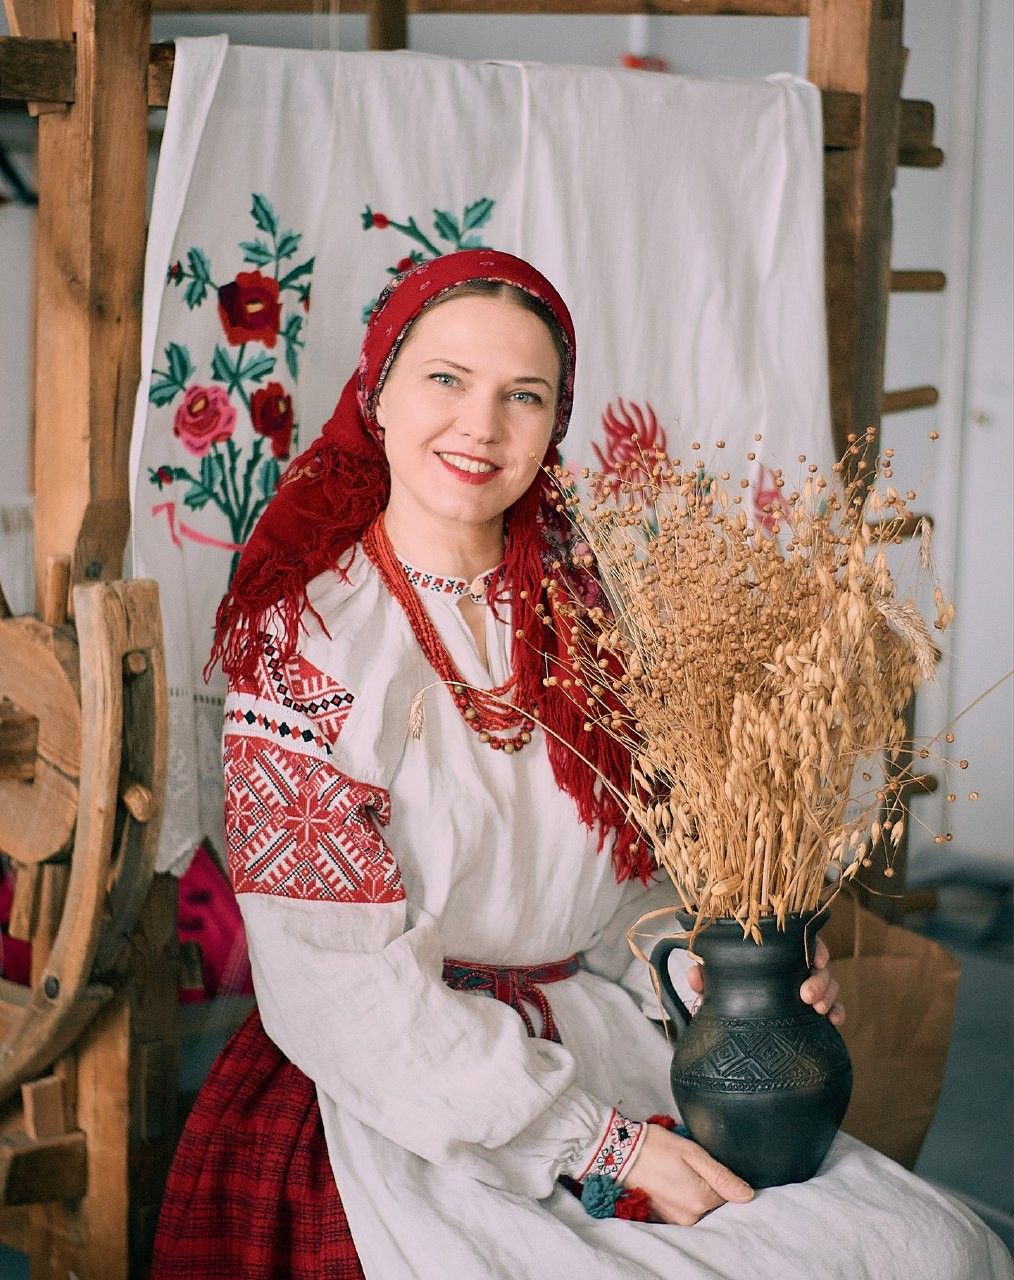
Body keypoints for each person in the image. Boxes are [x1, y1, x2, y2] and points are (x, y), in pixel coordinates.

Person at [153, 250, 1011, 1279]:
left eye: (525, 395)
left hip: (601, 1038)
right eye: (446, 379)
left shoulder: (588, 624)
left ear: (553, 424)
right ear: (378, 393)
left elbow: (626, 894)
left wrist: (718, 980)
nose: (481, 425)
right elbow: (335, 982)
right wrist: (601, 1142)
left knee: (938, 1245)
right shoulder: (311, 641)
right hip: (404, 1086)